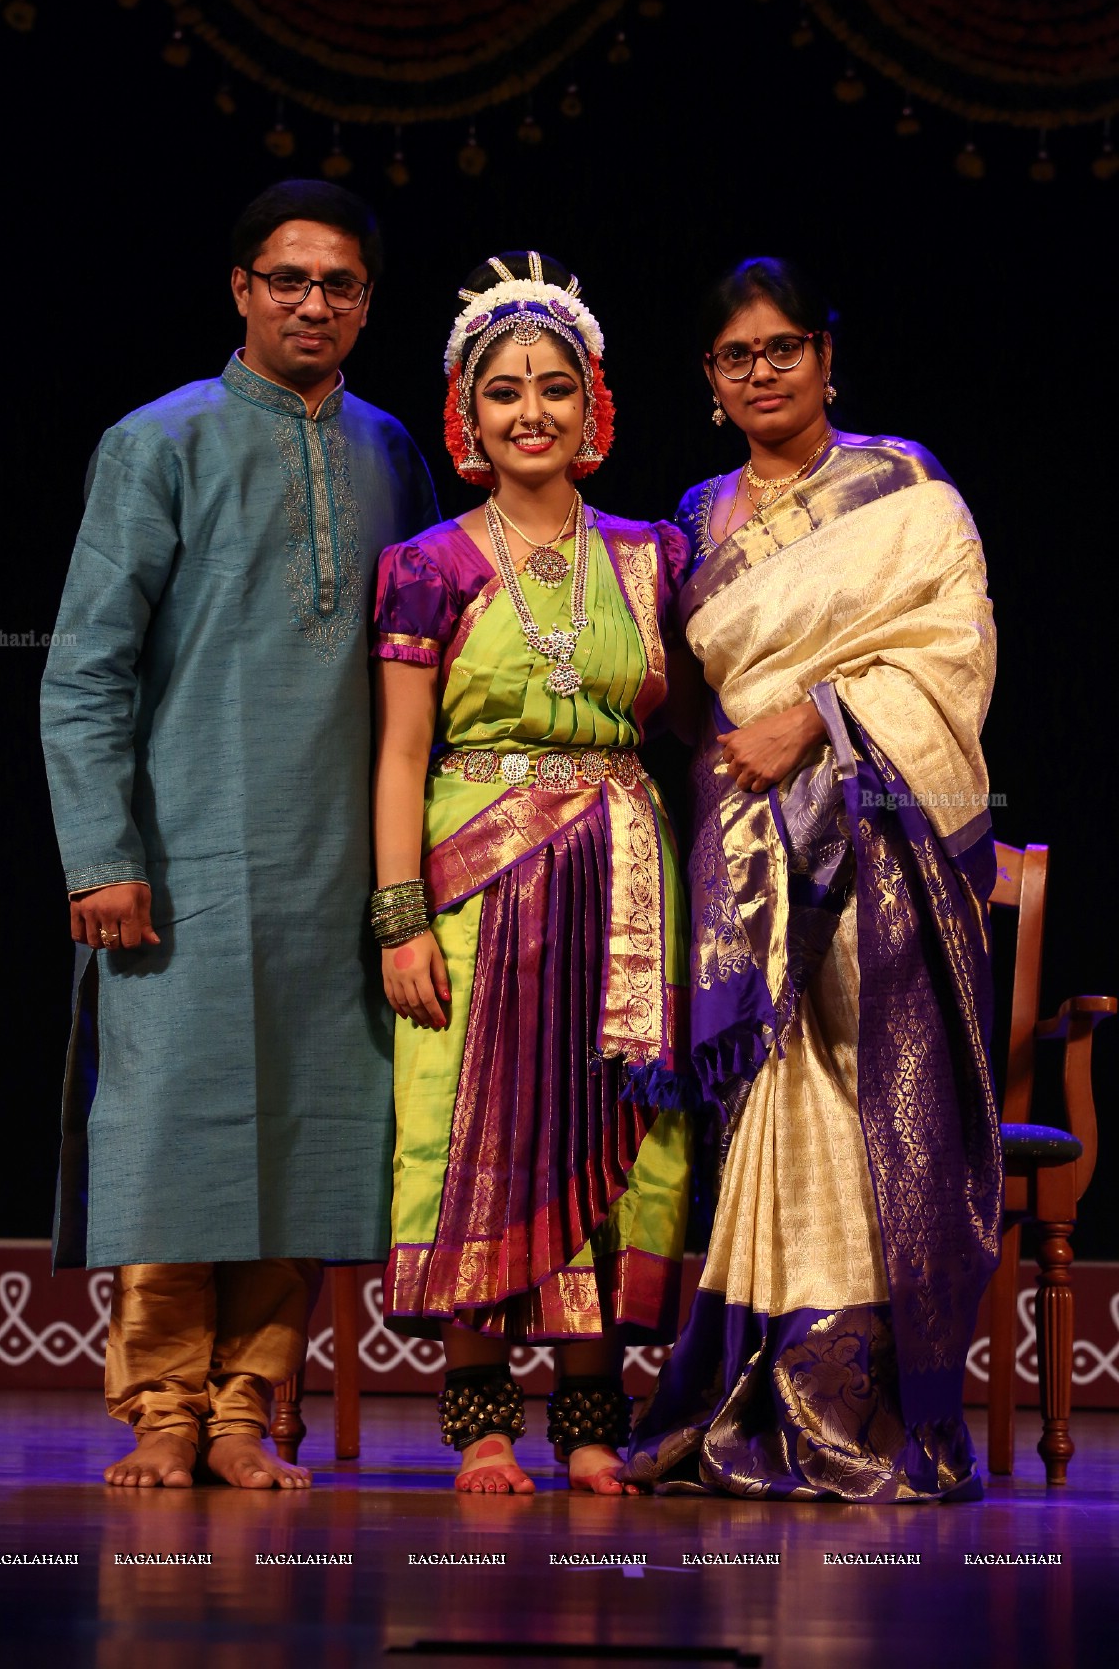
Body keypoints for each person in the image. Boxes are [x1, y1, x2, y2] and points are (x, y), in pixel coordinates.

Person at [40, 180, 438, 1489]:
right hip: (184, 858)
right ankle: (161, 1410)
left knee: (312, 1134)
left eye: (339, 285)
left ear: (369, 303)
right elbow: (87, 669)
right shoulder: (159, 442)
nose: (312, 303)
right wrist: (102, 853)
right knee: (178, 1128)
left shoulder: (391, 452)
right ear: (241, 291)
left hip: (342, 864)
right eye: (287, 280)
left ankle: (245, 1411)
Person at [624, 256, 1002, 1502]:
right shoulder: (690, 520)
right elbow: (687, 702)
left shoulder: (905, 486)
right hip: (742, 847)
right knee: (772, 1099)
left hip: (883, 835)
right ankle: (759, 1391)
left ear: (828, 356)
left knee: (869, 1095)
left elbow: (952, 650)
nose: (763, 373)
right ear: (709, 381)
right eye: (737, 357)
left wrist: (822, 721)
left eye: (784, 349)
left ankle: (866, 1406)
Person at [371, 252, 695, 1495]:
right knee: (476, 1129)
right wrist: (401, 920)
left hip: (621, 879)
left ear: (592, 405)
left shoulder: (654, 557)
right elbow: (401, 756)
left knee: (620, 1133)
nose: (531, 413)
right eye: (503, 391)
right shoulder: (429, 566)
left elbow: (696, 721)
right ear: (467, 413)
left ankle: (592, 1417)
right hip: (476, 879)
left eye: (555, 388)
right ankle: (480, 1418)